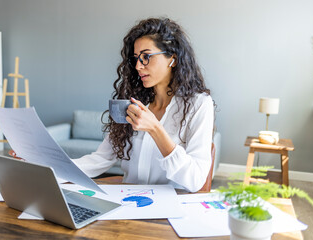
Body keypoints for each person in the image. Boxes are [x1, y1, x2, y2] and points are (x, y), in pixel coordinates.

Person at [73, 17, 214, 192]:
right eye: (136, 59)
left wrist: (155, 129)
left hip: (171, 208)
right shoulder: (133, 102)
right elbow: (100, 159)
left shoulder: (198, 104)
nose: (138, 66)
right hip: (127, 202)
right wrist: (49, 166)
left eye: (146, 56)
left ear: (173, 59)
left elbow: (195, 180)